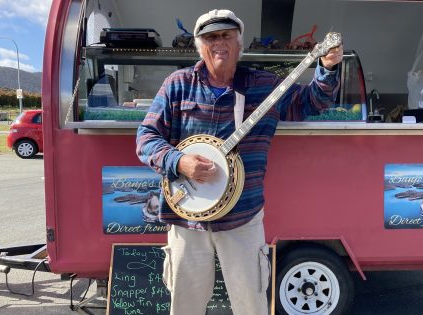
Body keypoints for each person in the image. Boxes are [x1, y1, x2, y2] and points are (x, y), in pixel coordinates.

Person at [136, 9, 343, 315]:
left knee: (251, 304)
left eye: (226, 36)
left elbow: (312, 102)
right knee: (185, 304)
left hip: (243, 217)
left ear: (239, 43)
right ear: (199, 45)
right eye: (211, 37)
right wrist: (179, 162)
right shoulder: (177, 84)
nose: (219, 42)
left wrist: (327, 68)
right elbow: (146, 137)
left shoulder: (265, 84)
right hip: (186, 220)